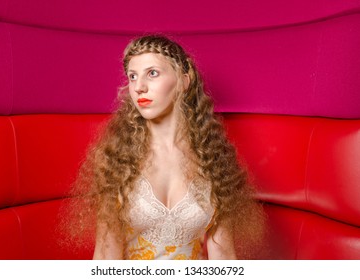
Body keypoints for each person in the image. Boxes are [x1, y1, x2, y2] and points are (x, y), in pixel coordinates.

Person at [66, 34, 265, 260]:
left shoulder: (215, 160)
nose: (139, 87)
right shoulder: (116, 160)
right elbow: (105, 256)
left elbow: (223, 256)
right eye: (132, 76)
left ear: (184, 81)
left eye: (152, 73)